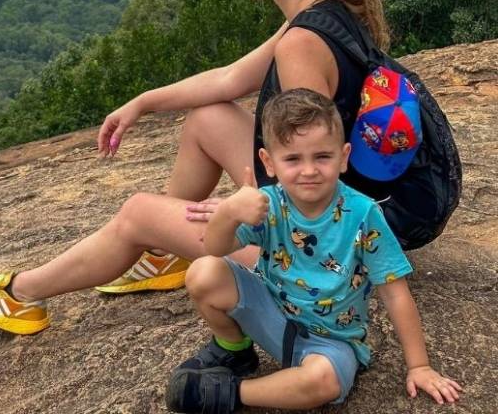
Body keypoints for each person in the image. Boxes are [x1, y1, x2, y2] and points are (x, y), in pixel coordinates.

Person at [0, 0, 390, 333]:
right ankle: (167, 253)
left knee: (138, 213)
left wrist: (235, 210)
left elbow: (309, 173)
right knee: (208, 117)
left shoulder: (302, 43)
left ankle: (21, 295)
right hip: (340, 220)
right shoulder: (323, 13)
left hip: (319, 254)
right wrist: (144, 102)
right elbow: (229, 80)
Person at [166, 89, 462, 414]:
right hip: (272, 315)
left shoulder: (363, 215)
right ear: (269, 162)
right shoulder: (268, 203)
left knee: (324, 381)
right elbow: (215, 248)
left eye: (322, 156)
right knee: (204, 272)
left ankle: (231, 392)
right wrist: (228, 214)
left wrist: (418, 366)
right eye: (292, 159)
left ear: (344, 156)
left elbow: (395, 293)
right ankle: (234, 350)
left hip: (331, 342)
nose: (309, 170)